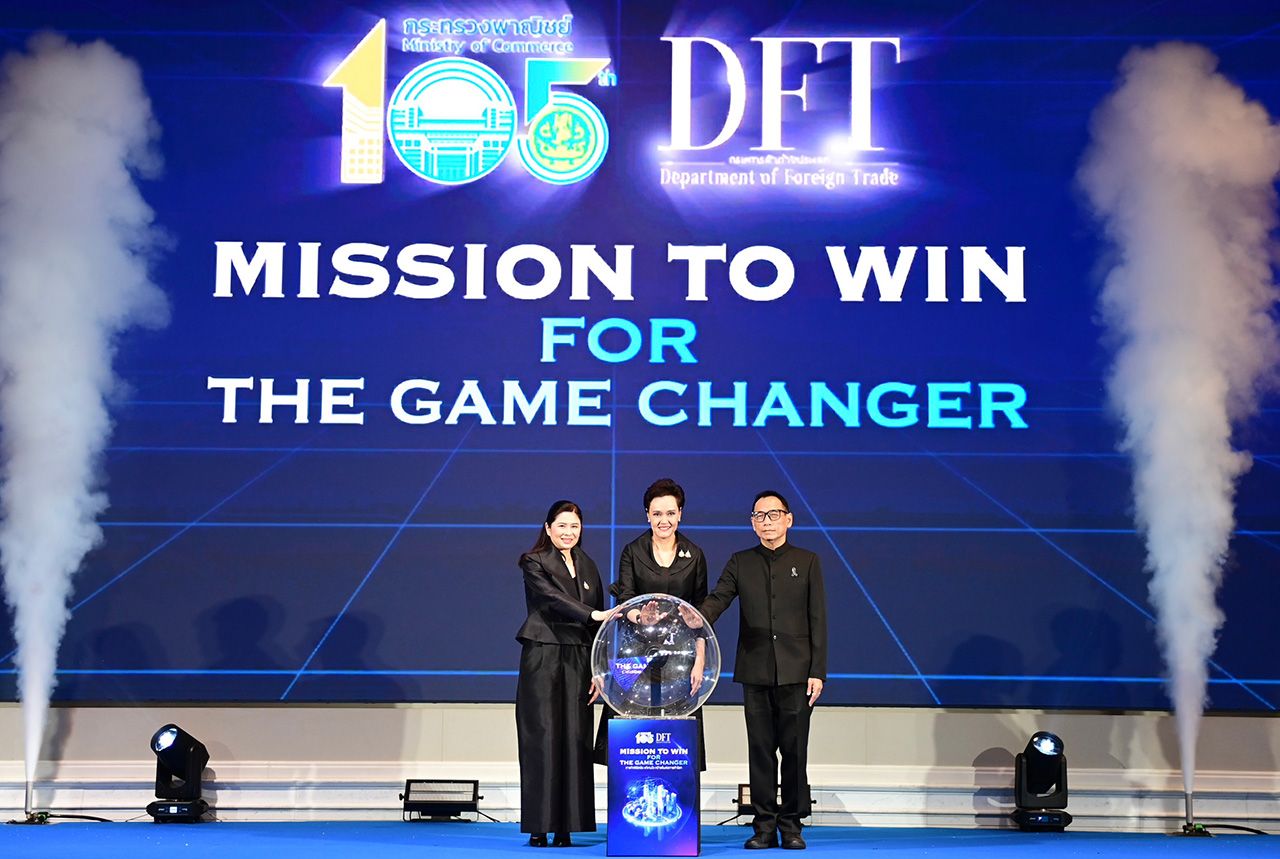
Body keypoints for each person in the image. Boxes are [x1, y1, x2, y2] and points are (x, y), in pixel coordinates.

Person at [697, 490, 827, 851]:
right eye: (759, 516)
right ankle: (764, 826)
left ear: (789, 519)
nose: (766, 522)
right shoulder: (741, 562)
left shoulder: (808, 561)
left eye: (773, 514)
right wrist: (695, 616)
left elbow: (818, 618)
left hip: (797, 673)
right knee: (760, 751)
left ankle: (792, 824)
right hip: (754, 670)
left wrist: (817, 670)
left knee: (795, 752)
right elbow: (719, 599)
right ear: (752, 523)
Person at [515, 500, 613, 848]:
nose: (568, 532)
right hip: (543, 654)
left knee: (575, 737)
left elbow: (599, 627)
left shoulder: (588, 564)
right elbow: (551, 598)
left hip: (579, 657)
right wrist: (592, 615)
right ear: (548, 528)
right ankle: (539, 825)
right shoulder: (533, 561)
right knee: (542, 737)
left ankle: (567, 826)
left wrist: (599, 669)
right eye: (561, 525)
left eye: (574, 526)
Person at [593, 477, 709, 768]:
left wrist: (700, 660)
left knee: (676, 740)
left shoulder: (695, 555)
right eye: (657, 513)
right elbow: (625, 599)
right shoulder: (632, 551)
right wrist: (640, 616)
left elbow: (700, 615)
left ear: (680, 514)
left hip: (679, 656)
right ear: (647, 515)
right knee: (629, 736)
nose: (663, 520)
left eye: (670, 513)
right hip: (635, 651)